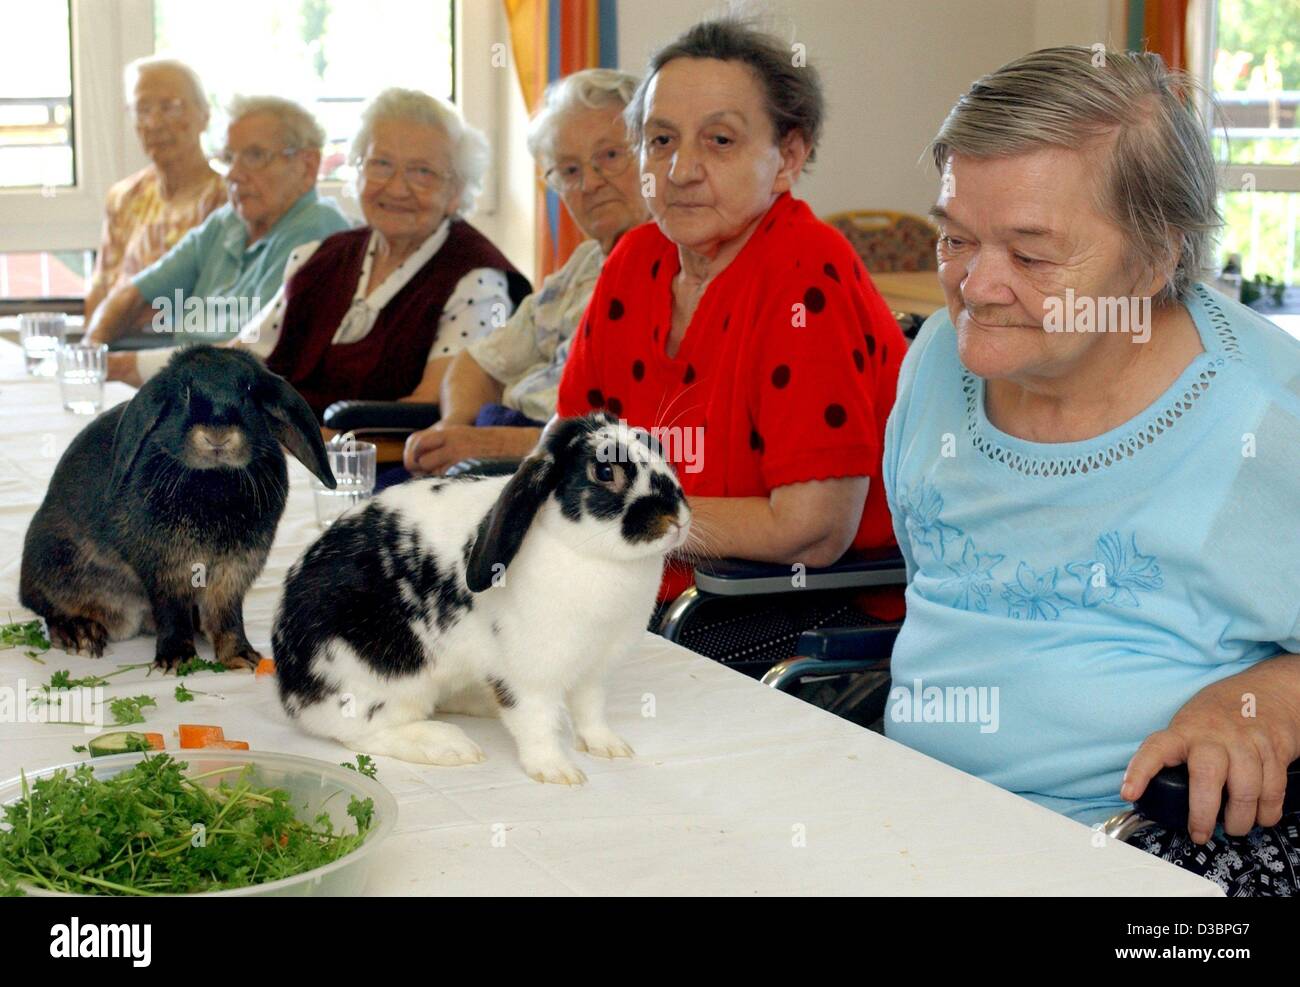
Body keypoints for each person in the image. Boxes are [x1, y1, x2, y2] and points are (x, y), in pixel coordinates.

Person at [884, 46, 1300, 895]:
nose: (976, 285)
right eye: (955, 237)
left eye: (1031, 257)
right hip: (900, 822)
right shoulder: (934, 360)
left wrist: (1274, 690)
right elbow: (930, 574)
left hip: (1120, 856)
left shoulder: (1265, 416)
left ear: (1154, 258)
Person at [555, 20, 907, 663]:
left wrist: (625, 513)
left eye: (720, 140)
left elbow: (809, 533)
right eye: (660, 140)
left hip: (781, 602)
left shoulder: (806, 273)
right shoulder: (634, 261)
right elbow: (569, 457)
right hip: (642, 587)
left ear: (789, 158)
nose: (681, 170)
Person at [117, 88, 530, 416]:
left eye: (422, 172)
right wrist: (131, 371)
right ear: (358, 170)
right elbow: (242, 354)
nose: (397, 188)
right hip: (293, 459)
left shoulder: (477, 279)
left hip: (383, 477)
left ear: (456, 191)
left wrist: (311, 445)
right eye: (381, 164)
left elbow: (432, 409)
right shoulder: (322, 257)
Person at [403, 68, 647, 474]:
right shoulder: (582, 266)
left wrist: (492, 445)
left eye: (609, 156)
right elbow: (478, 363)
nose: (589, 183)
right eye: (569, 171)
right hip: (505, 450)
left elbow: (634, 434)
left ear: (652, 152)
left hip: (573, 472)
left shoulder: (677, 274)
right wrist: (453, 427)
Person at [93, 95, 349, 365]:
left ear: (307, 167)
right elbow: (134, 293)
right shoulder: (227, 222)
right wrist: (90, 349)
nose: (233, 174)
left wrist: (116, 368)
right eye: (229, 158)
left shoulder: (318, 229)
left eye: (255, 156)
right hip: (185, 387)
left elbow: (247, 351)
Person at [84, 57, 226, 321]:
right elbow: (100, 291)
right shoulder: (125, 197)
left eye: (170, 107)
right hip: (114, 343)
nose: (154, 122)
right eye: (142, 109)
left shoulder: (227, 200)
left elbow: (221, 309)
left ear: (204, 115)